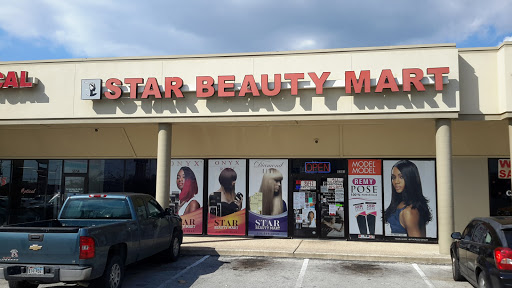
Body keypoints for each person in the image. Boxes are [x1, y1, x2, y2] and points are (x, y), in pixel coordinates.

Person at [384, 160, 432, 237]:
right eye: (393, 177)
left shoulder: (408, 211)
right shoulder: (401, 204)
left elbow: (416, 245)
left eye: (401, 177)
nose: (396, 181)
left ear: (410, 179)